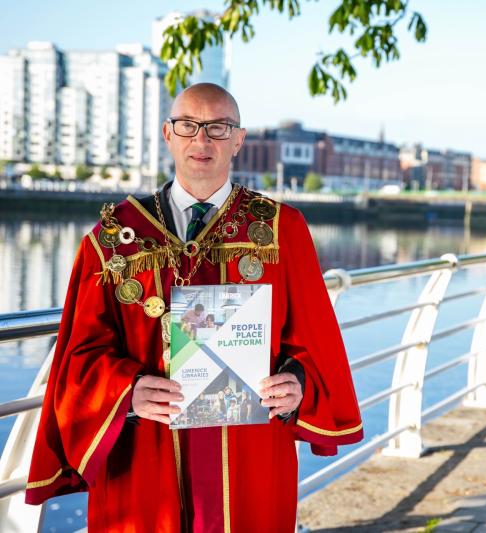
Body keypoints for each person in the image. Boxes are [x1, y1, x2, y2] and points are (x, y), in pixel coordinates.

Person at [25, 83, 363, 532]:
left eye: (218, 127)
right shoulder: (113, 239)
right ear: (168, 134)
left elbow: (317, 346)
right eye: (188, 125)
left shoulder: (283, 231)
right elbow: (77, 359)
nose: (202, 140)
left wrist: (297, 383)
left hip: (250, 455)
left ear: (238, 140)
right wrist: (126, 391)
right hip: (145, 456)